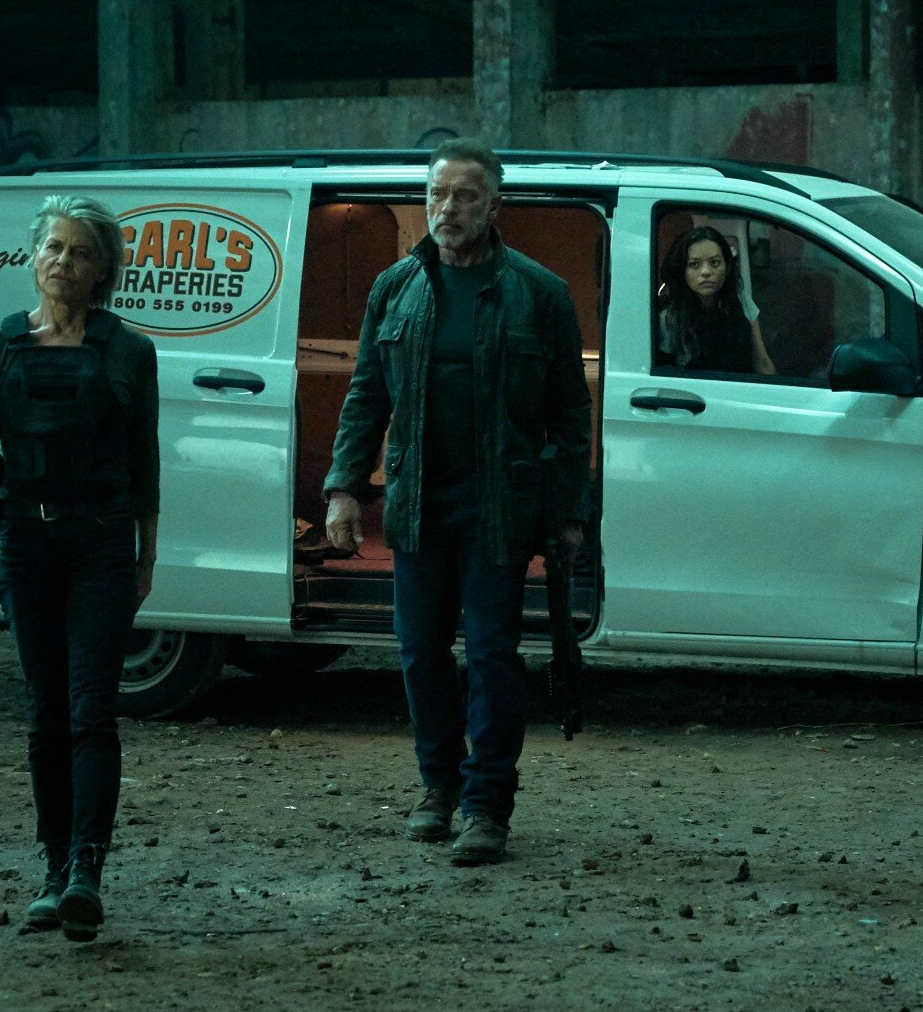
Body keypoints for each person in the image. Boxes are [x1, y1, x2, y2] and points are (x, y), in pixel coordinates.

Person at [323, 138, 592, 865]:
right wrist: (343, 487)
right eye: (437, 195)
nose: (448, 208)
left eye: (465, 195)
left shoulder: (539, 293)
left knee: (493, 654)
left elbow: (570, 416)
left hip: (500, 505)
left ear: (494, 205)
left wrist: (568, 515)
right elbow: (366, 394)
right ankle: (438, 787)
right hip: (417, 503)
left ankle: (486, 804)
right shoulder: (397, 287)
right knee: (419, 653)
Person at [0, 195, 159, 940]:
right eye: (54, 247)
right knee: (45, 713)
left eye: (80, 251)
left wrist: (147, 554)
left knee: (90, 708)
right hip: (27, 548)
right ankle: (54, 868)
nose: (64, 261)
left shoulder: (129, 351)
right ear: (34, 258)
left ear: (102, 271)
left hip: (100, 546)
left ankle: (87, 869)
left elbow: (145, 462)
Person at [655, 226, 776, 375]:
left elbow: (762, 362)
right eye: (694, 264)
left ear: (727, 266)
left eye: (715, 263)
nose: (706, 272)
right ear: (682, 270)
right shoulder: (669, 317)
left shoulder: (739, 299)